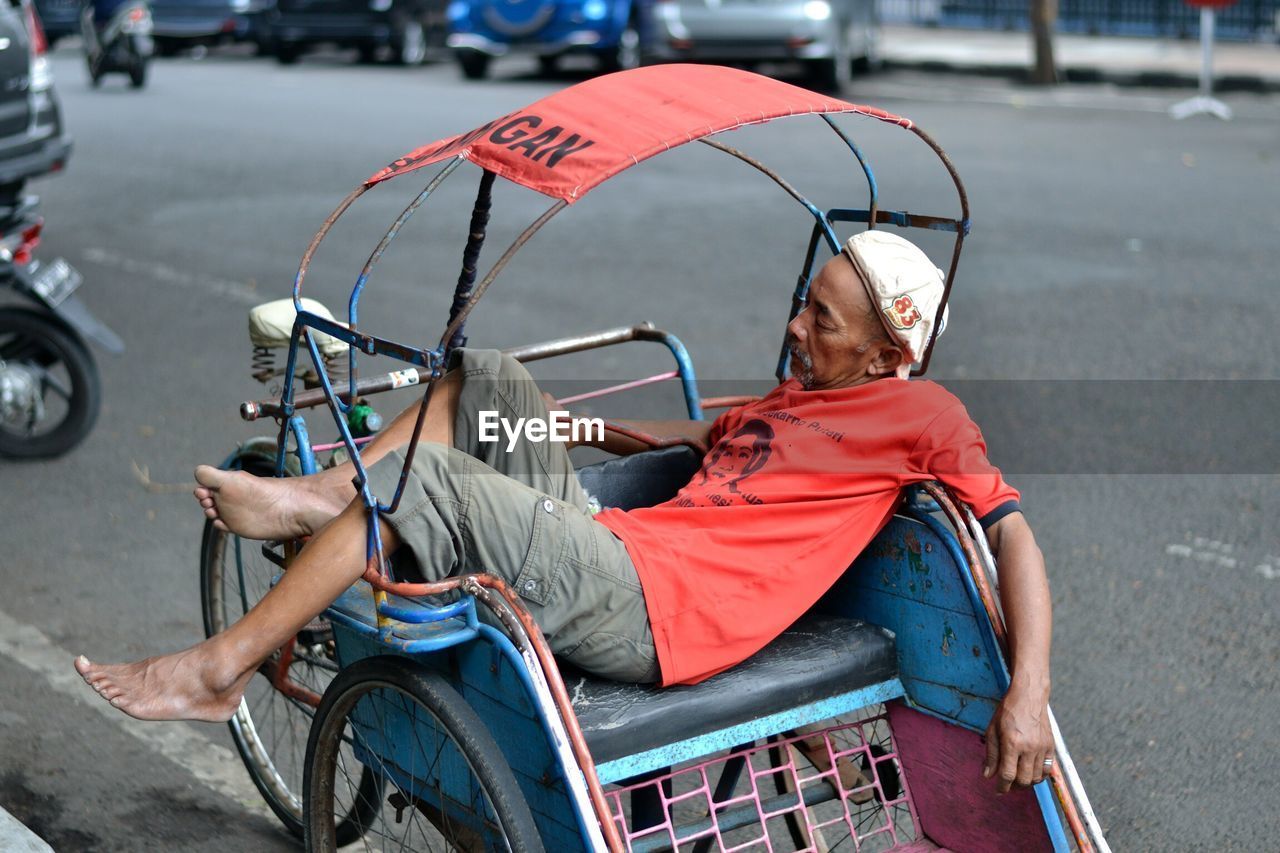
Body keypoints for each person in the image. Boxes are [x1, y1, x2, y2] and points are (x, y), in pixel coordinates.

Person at [75, 231, 1056, 792]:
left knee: (432, 482)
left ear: (885, 354)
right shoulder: (791, 400)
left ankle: (218, 668)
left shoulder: (920, 413)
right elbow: (679, 440)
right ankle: (321, 500)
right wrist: (546, 429)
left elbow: (1010, 535)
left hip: (649, 608)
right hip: (614, 552)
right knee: (489, 376)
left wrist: (1024, 694)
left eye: (822, 323)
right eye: (803, 304)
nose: (794, 329)